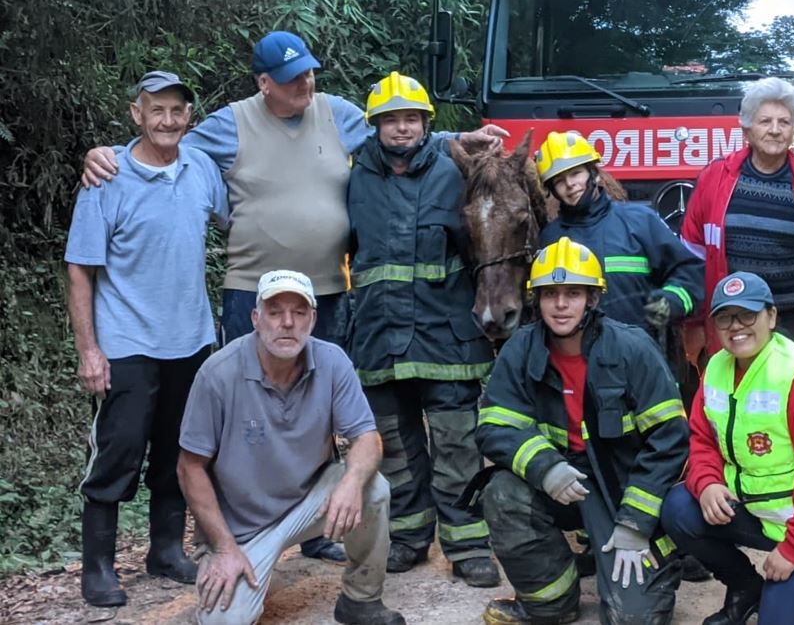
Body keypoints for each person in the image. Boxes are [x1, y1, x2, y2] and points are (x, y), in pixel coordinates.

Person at [81, 31, 506, 562]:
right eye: (290, 78)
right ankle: (232, 529)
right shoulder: (231, 124)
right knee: (242, 414)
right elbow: (164, 145)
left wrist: (464, 138)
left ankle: (313, 528)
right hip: (252, 294)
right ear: (264, 83)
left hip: (324, 292)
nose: (305, 83)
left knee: (316, 411)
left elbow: (401, 134)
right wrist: (108, 154)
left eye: (308, 73)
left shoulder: (336, 113)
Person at [65, 70, 228, 607]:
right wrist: (89, 349)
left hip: (191, 340)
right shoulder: (106, 177)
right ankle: (98, 567)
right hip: (127, 343)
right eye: (156, 110)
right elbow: (80, 268)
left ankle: (166, 550)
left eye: (177, 110)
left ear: (189, 117)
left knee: (179, 451)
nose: (167, 120)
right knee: (119, 451)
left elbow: (236, 219)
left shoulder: (201, 168)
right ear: (137, 114)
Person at [474, 237, 689, 625]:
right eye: (550, 294)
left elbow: (670, 439)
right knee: (502, 493)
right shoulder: (520, 351)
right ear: (536, 299)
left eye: (572, 293)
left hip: (620, 490)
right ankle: (551, 603)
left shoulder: (632, 349)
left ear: (592, 298)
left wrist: (636, 522)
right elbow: (494, 426)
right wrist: (545, 467)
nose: (560, 305)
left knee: (633, 619)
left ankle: (659, 562)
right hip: (560, 483)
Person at [177, 270, 404, 625]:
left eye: (299, 313)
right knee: (225, 620)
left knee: (371, 487)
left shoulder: (332, 362)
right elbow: (189, 467)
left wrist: (351, 481)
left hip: (309, 501)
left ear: (312, 319)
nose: (287, 323)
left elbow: (367, 437)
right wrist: (223, 547)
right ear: (256, 319)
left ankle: (361, 599)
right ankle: (238, 564)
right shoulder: (218, 374)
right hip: (240, 528)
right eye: (275, 312)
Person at [346, 73, 499, 586]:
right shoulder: (353, 175)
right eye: (391, 120)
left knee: (457, 444)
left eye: (411, 118)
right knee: (395, 446)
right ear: (375, 126)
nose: (402, 128)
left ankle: (468, 545)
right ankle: (408, 538)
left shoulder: (456, 170)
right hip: (379, 333)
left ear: (427, 124)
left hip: (446, 334)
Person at [660, 272, 794, 625]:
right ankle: (745, 589)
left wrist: (793, 549)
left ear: (771, 316)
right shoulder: (716, 368)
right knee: (679, 509)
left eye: (748, 315)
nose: (736, 326)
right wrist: (708, 482)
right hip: (758, 511)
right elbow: (702, 438)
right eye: (725, 317)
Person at [680, 77, 794, 366]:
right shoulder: (714, 180)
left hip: (791, 330)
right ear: (747, 129)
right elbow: (691, 259)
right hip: (729, 327)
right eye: (765, 121)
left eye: (784, 122)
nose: (775, 130)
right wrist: (694, 325)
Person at [536, 130, 704, 338]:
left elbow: (690, 272)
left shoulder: (640, 221)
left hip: (640, 351)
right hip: (575, 354)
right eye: (559, 181)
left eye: (575, 173)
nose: (570, 185)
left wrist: (673, 300)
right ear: (552, 190)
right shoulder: (550, 239)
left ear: (594, 173)